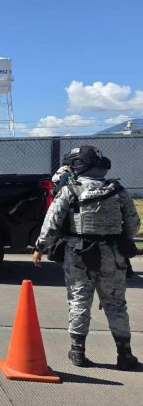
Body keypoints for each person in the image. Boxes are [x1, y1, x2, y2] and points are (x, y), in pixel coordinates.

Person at [32, 146, 140, 370]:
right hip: (113, 254)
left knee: (79, 301)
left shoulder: (71, 190)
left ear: (79, 165)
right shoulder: (118, 190)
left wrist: (41, 247)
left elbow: (51, 224)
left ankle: (78, 353)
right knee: (116, 304)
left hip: (79, 254)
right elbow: (133, 225)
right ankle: (125, 355)